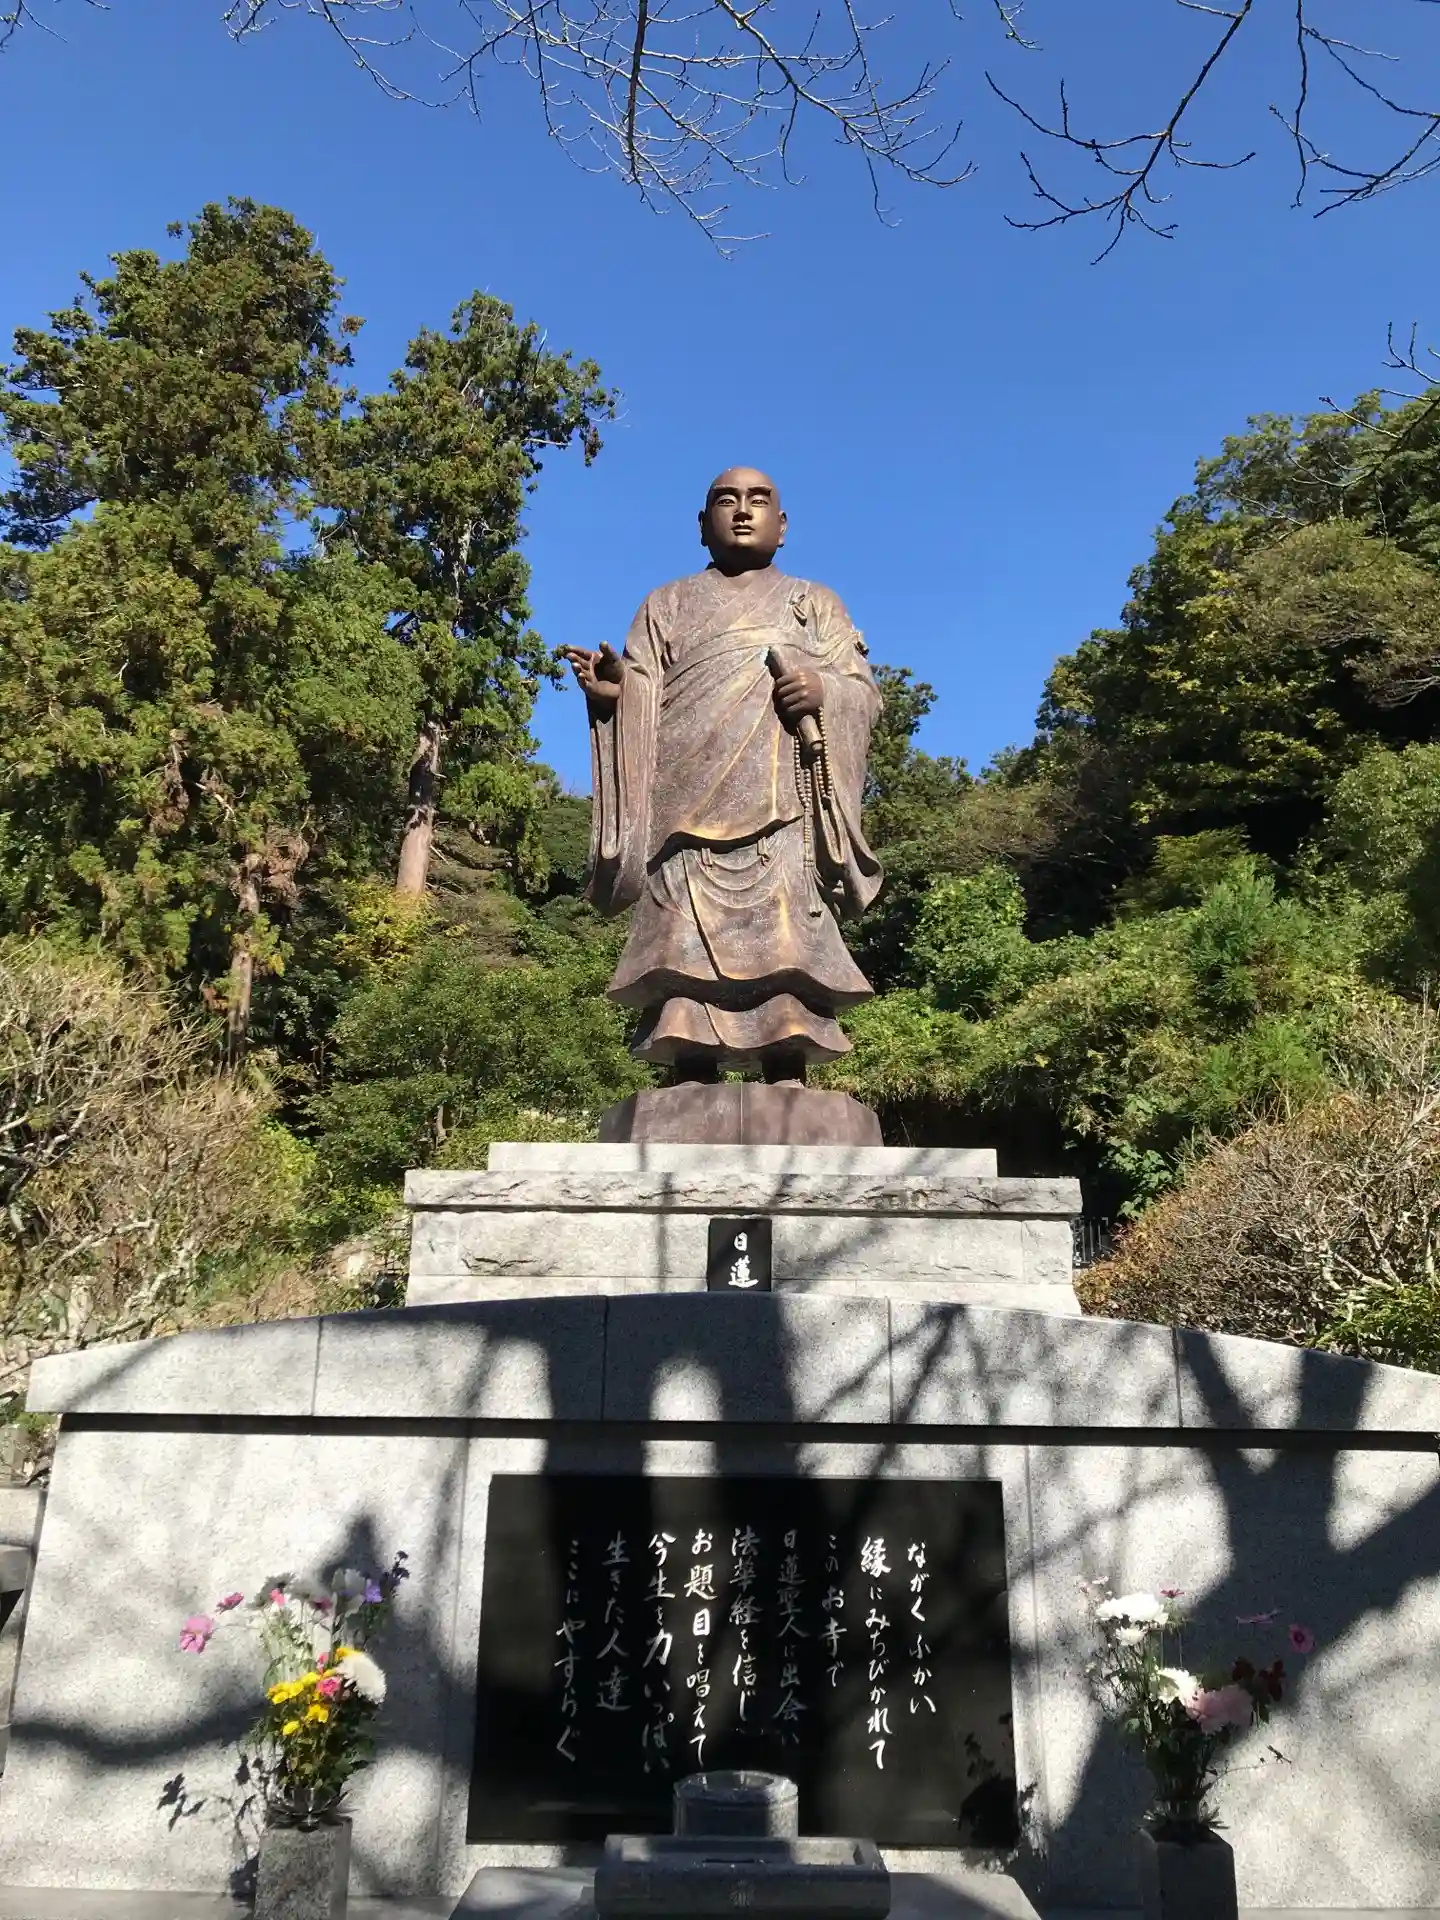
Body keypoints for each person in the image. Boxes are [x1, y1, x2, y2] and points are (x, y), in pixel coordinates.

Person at [560, 466, 883, 1086]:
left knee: (786, 936)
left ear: (781, 526)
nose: (742, 510)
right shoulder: (667, 604)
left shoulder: (814, 604)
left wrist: (824, 690)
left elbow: (862, 692)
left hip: (780, 801)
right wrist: (616, 694)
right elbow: (643, 689)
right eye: (726, 500)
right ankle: (691, 1066)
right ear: (702, 525)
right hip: (683, 805)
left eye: (758, 501)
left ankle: (787, 1064)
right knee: (682, 936)